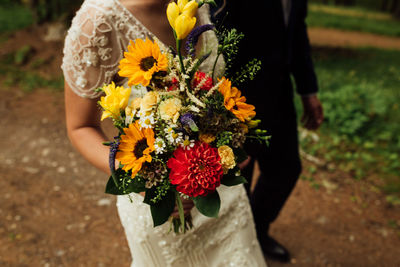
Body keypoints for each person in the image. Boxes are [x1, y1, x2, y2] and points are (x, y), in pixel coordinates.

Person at [62, 0, 268, 266]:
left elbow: (210, 89)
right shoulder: (99, 21)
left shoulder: (195, 4)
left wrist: (228, 142)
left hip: (221, 195)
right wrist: (147, 181)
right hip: (158, 203)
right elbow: (80, 127)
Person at [211, 0, 324, 263]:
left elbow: (296, 34)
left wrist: (308, 91)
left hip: (280, 95)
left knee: (286, 169)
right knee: (238, 178)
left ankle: (256, 231)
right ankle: (229, 249)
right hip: (235, 97)